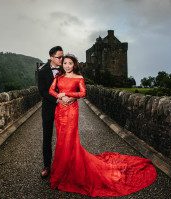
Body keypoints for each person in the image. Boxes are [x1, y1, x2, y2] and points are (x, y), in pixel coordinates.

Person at [48, 54, 157, 197]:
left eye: (70, 63)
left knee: (69, 140)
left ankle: (68, 172)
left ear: (74, 65)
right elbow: (51, 90)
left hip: (71, 112)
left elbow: (83, 92)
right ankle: (64, 169)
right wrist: (59, 97)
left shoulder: (79, 78)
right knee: (61, 141)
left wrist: (68, 94)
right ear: (62, 64)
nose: (67, 65)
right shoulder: (58, 77)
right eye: (65, 63)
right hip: (60, 111)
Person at [37, 46, 75, 179]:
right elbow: (42, 91)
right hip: (49, 108)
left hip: (65, 109)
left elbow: (74, 85)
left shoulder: (66, 69)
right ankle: (47, 166)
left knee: (65, 137)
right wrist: (58, 100)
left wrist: (71, 96)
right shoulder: (41, 71)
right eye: (59, 57)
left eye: (62, 56)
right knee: (47, 137)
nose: (62, 59)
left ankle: (65, 165)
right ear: (51, 57)